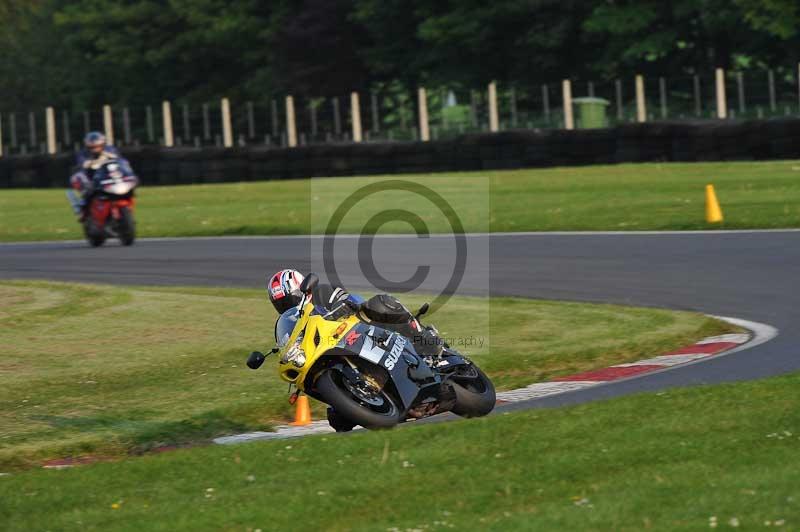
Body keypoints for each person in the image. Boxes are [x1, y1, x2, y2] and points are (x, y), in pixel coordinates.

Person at [266, 269, 443, 357]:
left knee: (381, 303)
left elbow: (349, 300)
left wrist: (341, 308)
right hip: (336, 348)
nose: (286, 305)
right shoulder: (292, 322)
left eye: (288, 299)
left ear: (300, 289)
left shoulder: (322, 291)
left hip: (361, 324)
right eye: (280, 303)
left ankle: (422, 334)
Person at [69, 131, 125, 216]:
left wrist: (105, 156)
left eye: (97, 146)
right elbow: (83, 164)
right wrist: (92, 163)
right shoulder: (82, 153)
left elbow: (119, 160)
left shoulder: (110, 149)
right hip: (92, 177)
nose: (95, 149)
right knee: (78, 178)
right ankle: (84, 204)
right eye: (92, 147)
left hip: (109, 175)